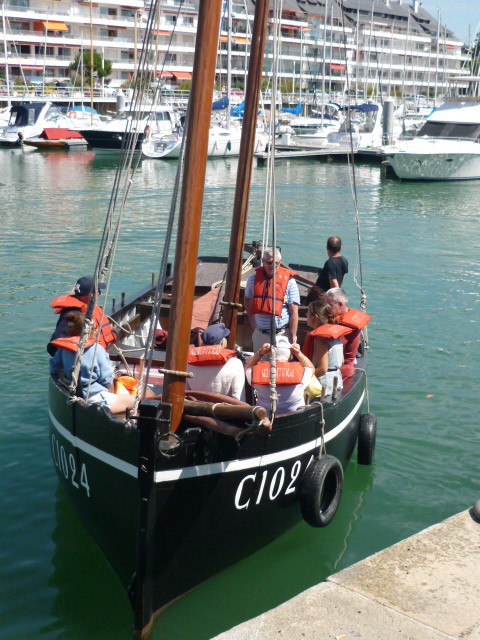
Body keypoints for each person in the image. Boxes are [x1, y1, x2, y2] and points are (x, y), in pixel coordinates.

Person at [49, 312, 135, 415]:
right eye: (94, 328)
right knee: (135, 402)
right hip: (95, 399)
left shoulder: (64, 349)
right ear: (86, 331)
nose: (97, 331)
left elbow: (53, 367)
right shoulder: (97, 350)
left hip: (74, 395)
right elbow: (107, 379)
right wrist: (112, 395)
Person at [244, 247, 300, 353]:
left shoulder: (290, 282)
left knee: (281, 366)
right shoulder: (252, 280)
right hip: (261, 334)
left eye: (276, 263)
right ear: (263, 262)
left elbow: (294, 312)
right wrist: (253, 323)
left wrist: (293, 337)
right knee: (260, 367)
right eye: (269, 263)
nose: (273, 266)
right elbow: (247, 300)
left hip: (282, 334)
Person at [48, 275, 116, 356]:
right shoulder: (74, 314)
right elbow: (55, 345)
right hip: (84, 360)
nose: (100, 294)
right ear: (91, 295)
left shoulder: (89, 307)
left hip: (97, 352)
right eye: (99, 292)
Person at [244, 336, 314, 414]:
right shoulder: (303, 373)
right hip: (294, 418)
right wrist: (298, 353)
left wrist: (260, 353)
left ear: (269, 354)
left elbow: (246, 368)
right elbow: (311, 367)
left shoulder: (254, 372)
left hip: (265, 418)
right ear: (290, 354)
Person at [303, 300, 353, 396]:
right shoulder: (335, 334)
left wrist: (304, 378)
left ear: (315, 317)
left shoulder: (320, 339)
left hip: (324, 386)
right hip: (336, 381)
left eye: (308, 312)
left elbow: (322, 369)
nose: (306, 314)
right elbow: (342, 361)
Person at [186, 323, 245, 400]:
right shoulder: (235, 363)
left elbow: (185, 391)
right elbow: (238, 397)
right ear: (222, 343)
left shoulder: (190, 362)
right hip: (222, 411)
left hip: (194, 409)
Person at [324, 288, 371, 384]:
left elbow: (328, 348)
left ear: (340, 305)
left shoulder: (345, 326)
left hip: (340, 372)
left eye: (329, 305)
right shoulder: (345, 316)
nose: (325, 308)